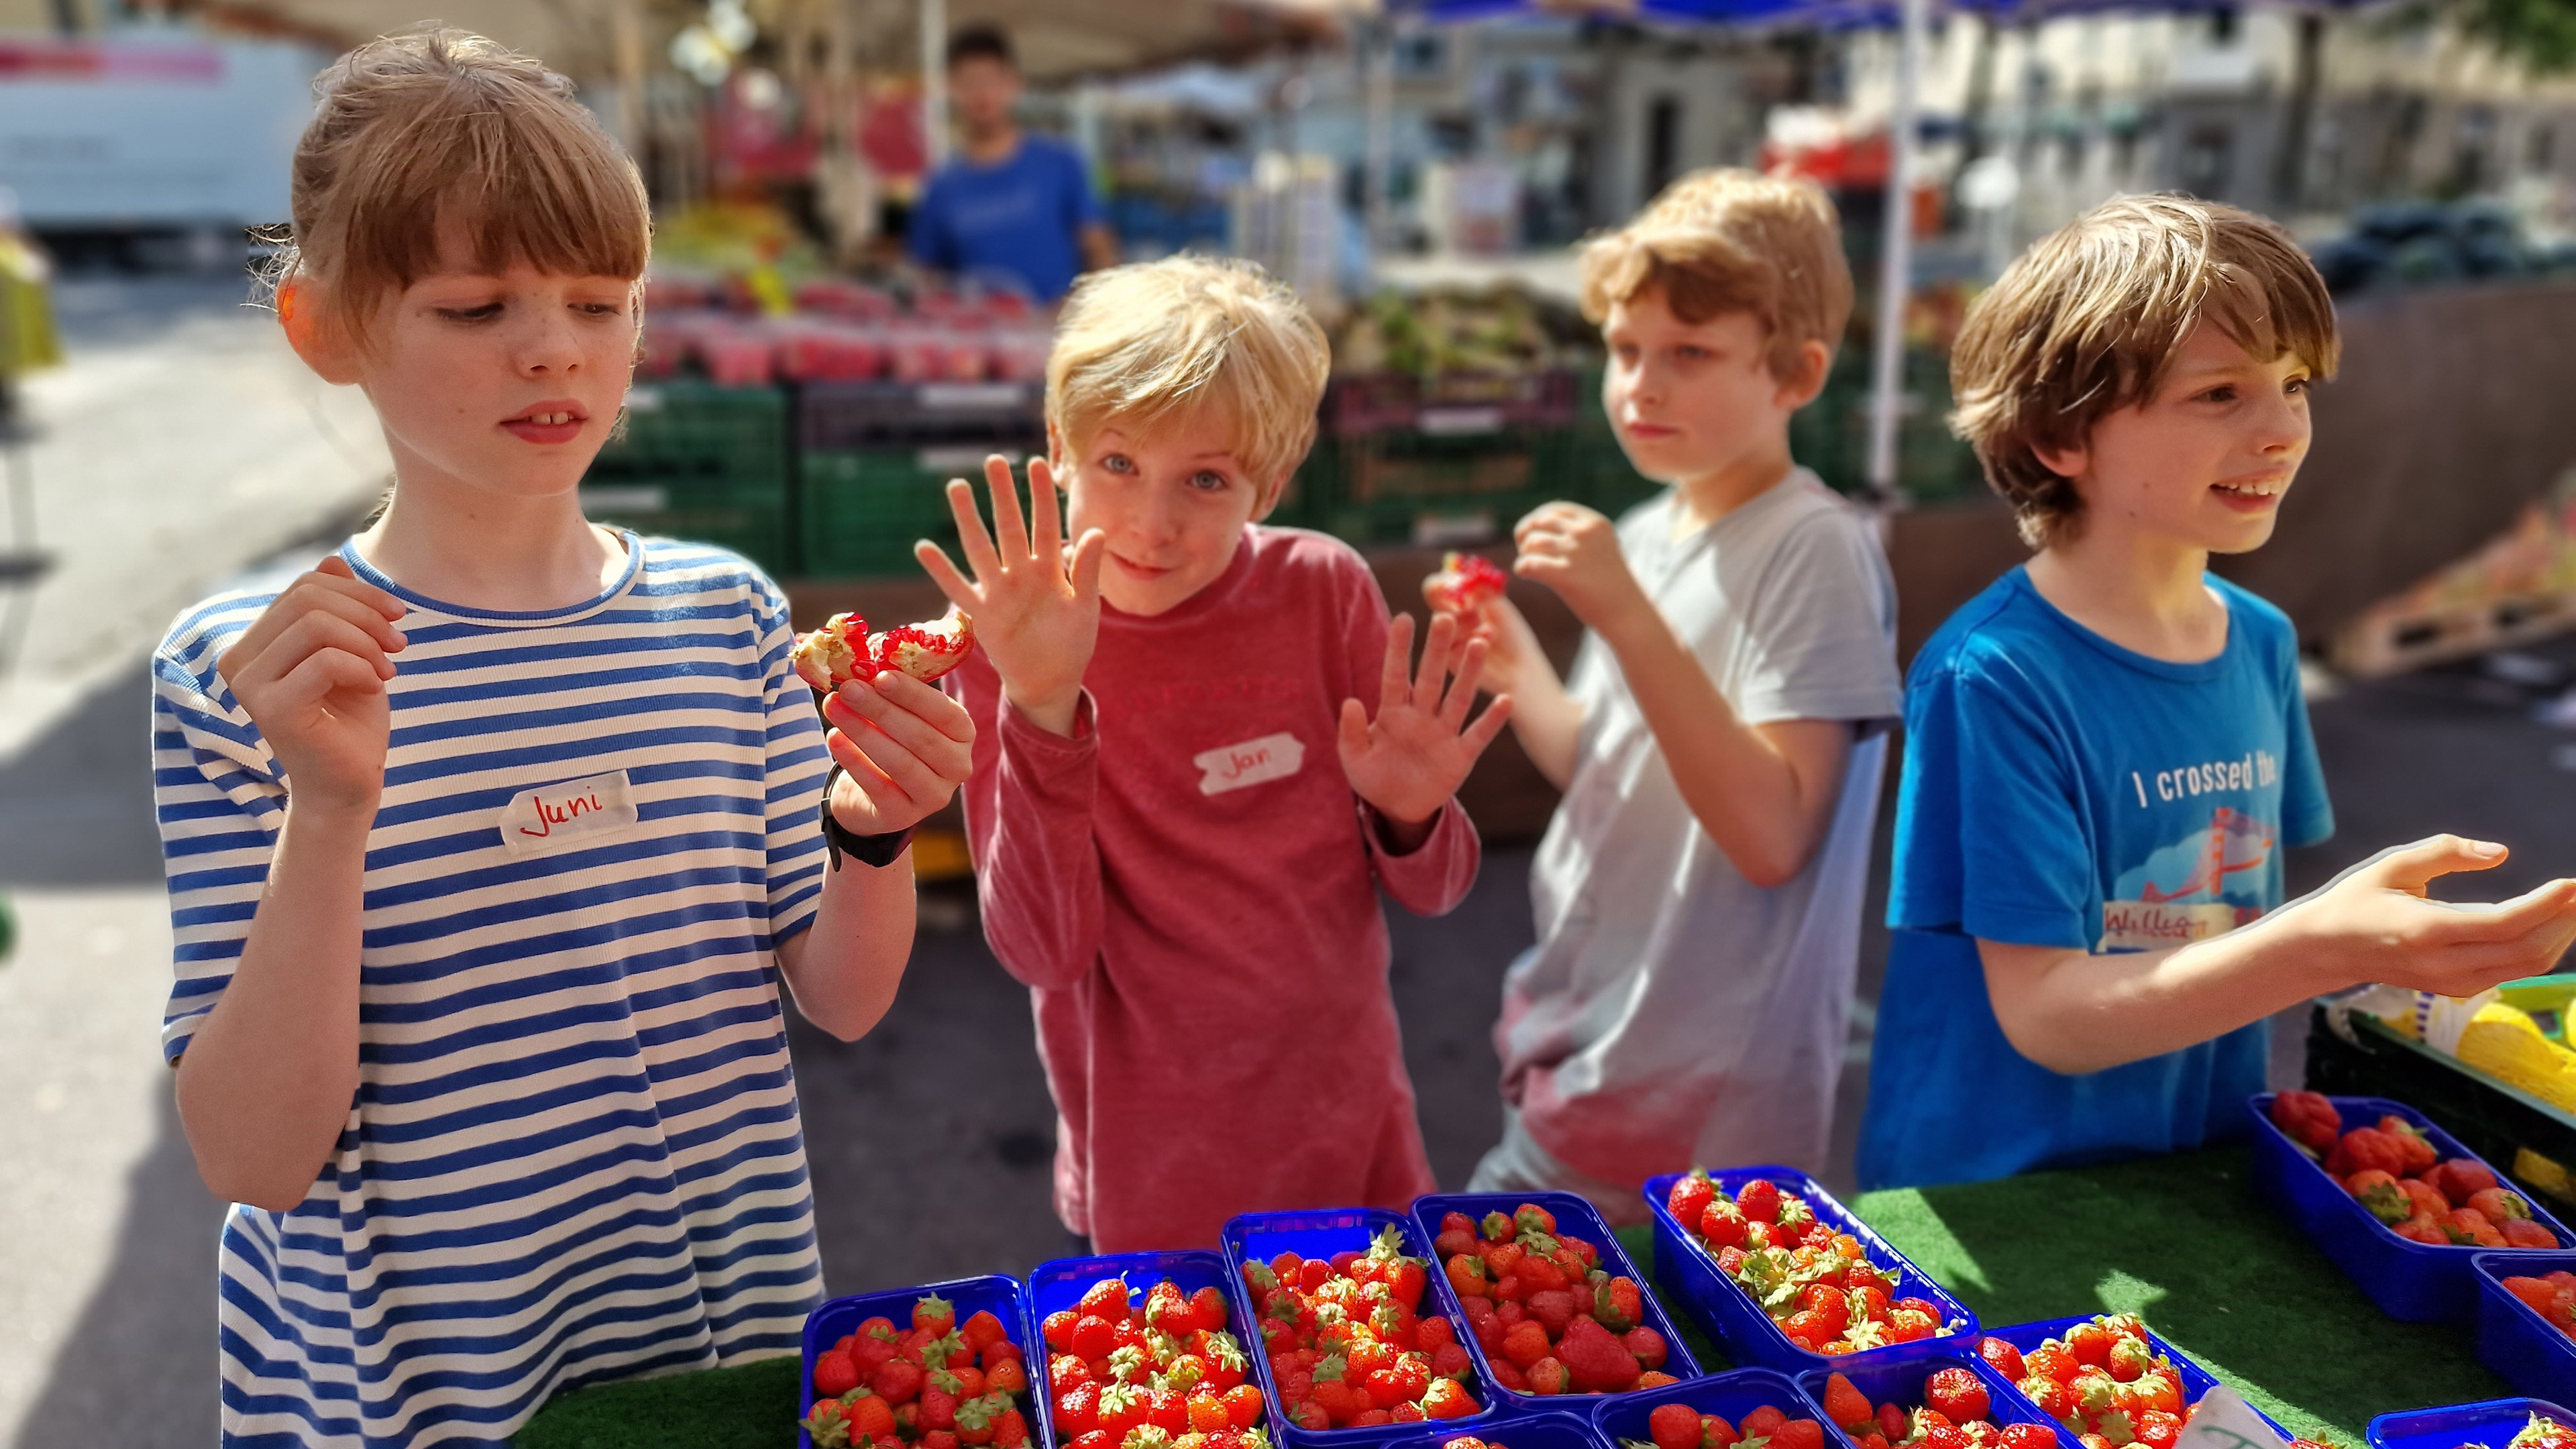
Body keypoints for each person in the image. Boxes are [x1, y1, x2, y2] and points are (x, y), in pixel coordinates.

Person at [149, 30, 973, 1445]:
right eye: (476, 308)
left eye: (601, 301)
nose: (553, 348)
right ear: (323, 325)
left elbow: (841, 997)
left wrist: (877, 826)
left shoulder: (726, 618)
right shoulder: (259, 672)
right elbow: (256, 1156)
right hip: (426, 1382)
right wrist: (329, 810)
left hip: (722, 1338)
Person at [1856, 194, 2576, 1190]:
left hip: (2197, 1159)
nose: (2282, 429)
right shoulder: (1994, 679)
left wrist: (2378, 938)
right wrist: (2317, 946)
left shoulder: (2264, 642)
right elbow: (2049, 1016)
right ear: (2059, 438)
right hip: (2001, 1190)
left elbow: (2227, 918)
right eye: (2220, 395)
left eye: (2294, 384)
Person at [924, 256, 1513, 1252]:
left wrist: (1413, 818)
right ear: (1059, 448)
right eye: (1119, 465)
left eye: (1206, 479)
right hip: (1146, 1162)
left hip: (1346, 1120)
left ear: (1271, 484)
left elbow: (1439, 888)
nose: (1154, 524)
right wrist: (1040, 706)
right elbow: (1039, 950)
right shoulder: (1009, 637)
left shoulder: (1324, 590)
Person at [1429, 169, 1902, 1222]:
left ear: (1799, 373)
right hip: (1589, 1055)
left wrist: (1625, 617)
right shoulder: (1652, 528)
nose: (1643, 384)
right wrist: (1520, 667)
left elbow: (1773, 834)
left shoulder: (1815, 546)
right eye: (1626, 348)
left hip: (1693, 1106)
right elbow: (1611, 761)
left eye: (1691, 354)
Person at [907, 24, 1117, 304]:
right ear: (952, 90)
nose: (982, 94)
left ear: (1013, 84)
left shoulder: (1063, 163)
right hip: (975, 344)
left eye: (991, 80)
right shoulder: (940, 188)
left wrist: (1078, 311)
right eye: (969, 82)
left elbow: (1101, 252)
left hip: (1062, 338)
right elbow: (927, 278)